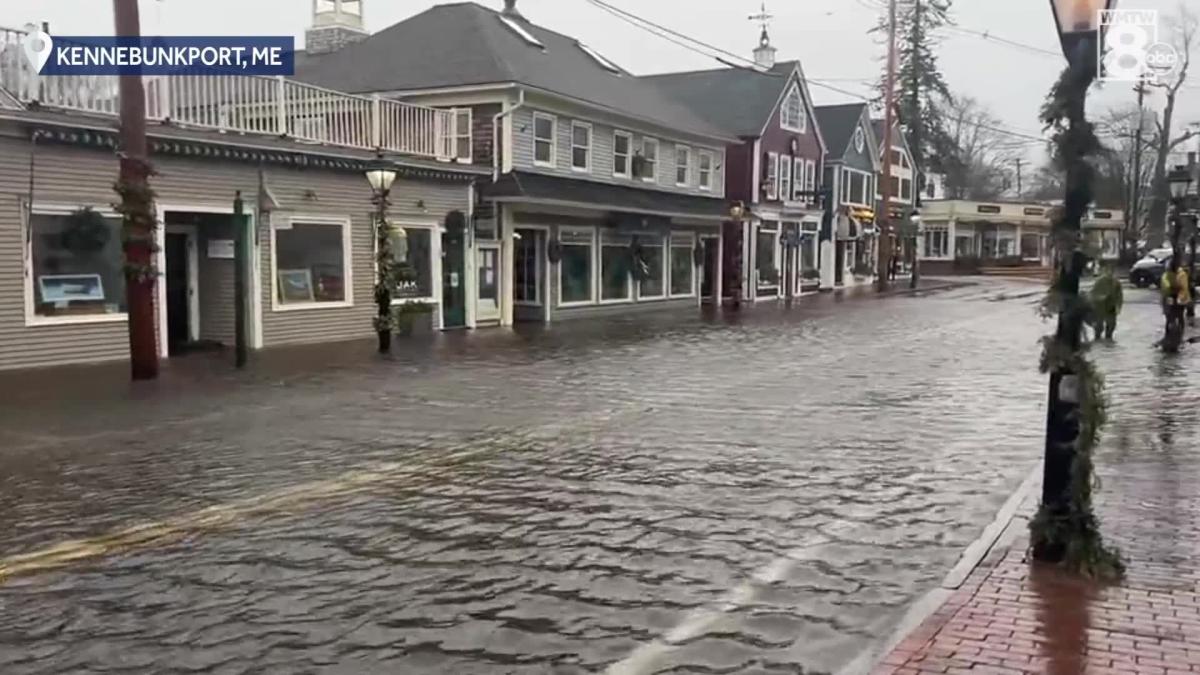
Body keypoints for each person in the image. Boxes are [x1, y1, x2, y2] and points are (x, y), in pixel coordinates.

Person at [1089, 265, 1123, 341]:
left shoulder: (1116, 283)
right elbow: (1093, 294)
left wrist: (1118, 307)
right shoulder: (1100, 281)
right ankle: (1098, 339)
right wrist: (1101, 298)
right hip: (1100, 306)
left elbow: (1119, 296)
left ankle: (1108, 339)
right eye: (1108, 271)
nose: (1110, 273)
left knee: (1111, 325)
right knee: (1099, 326)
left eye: (1112, 272)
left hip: (1111, 306)